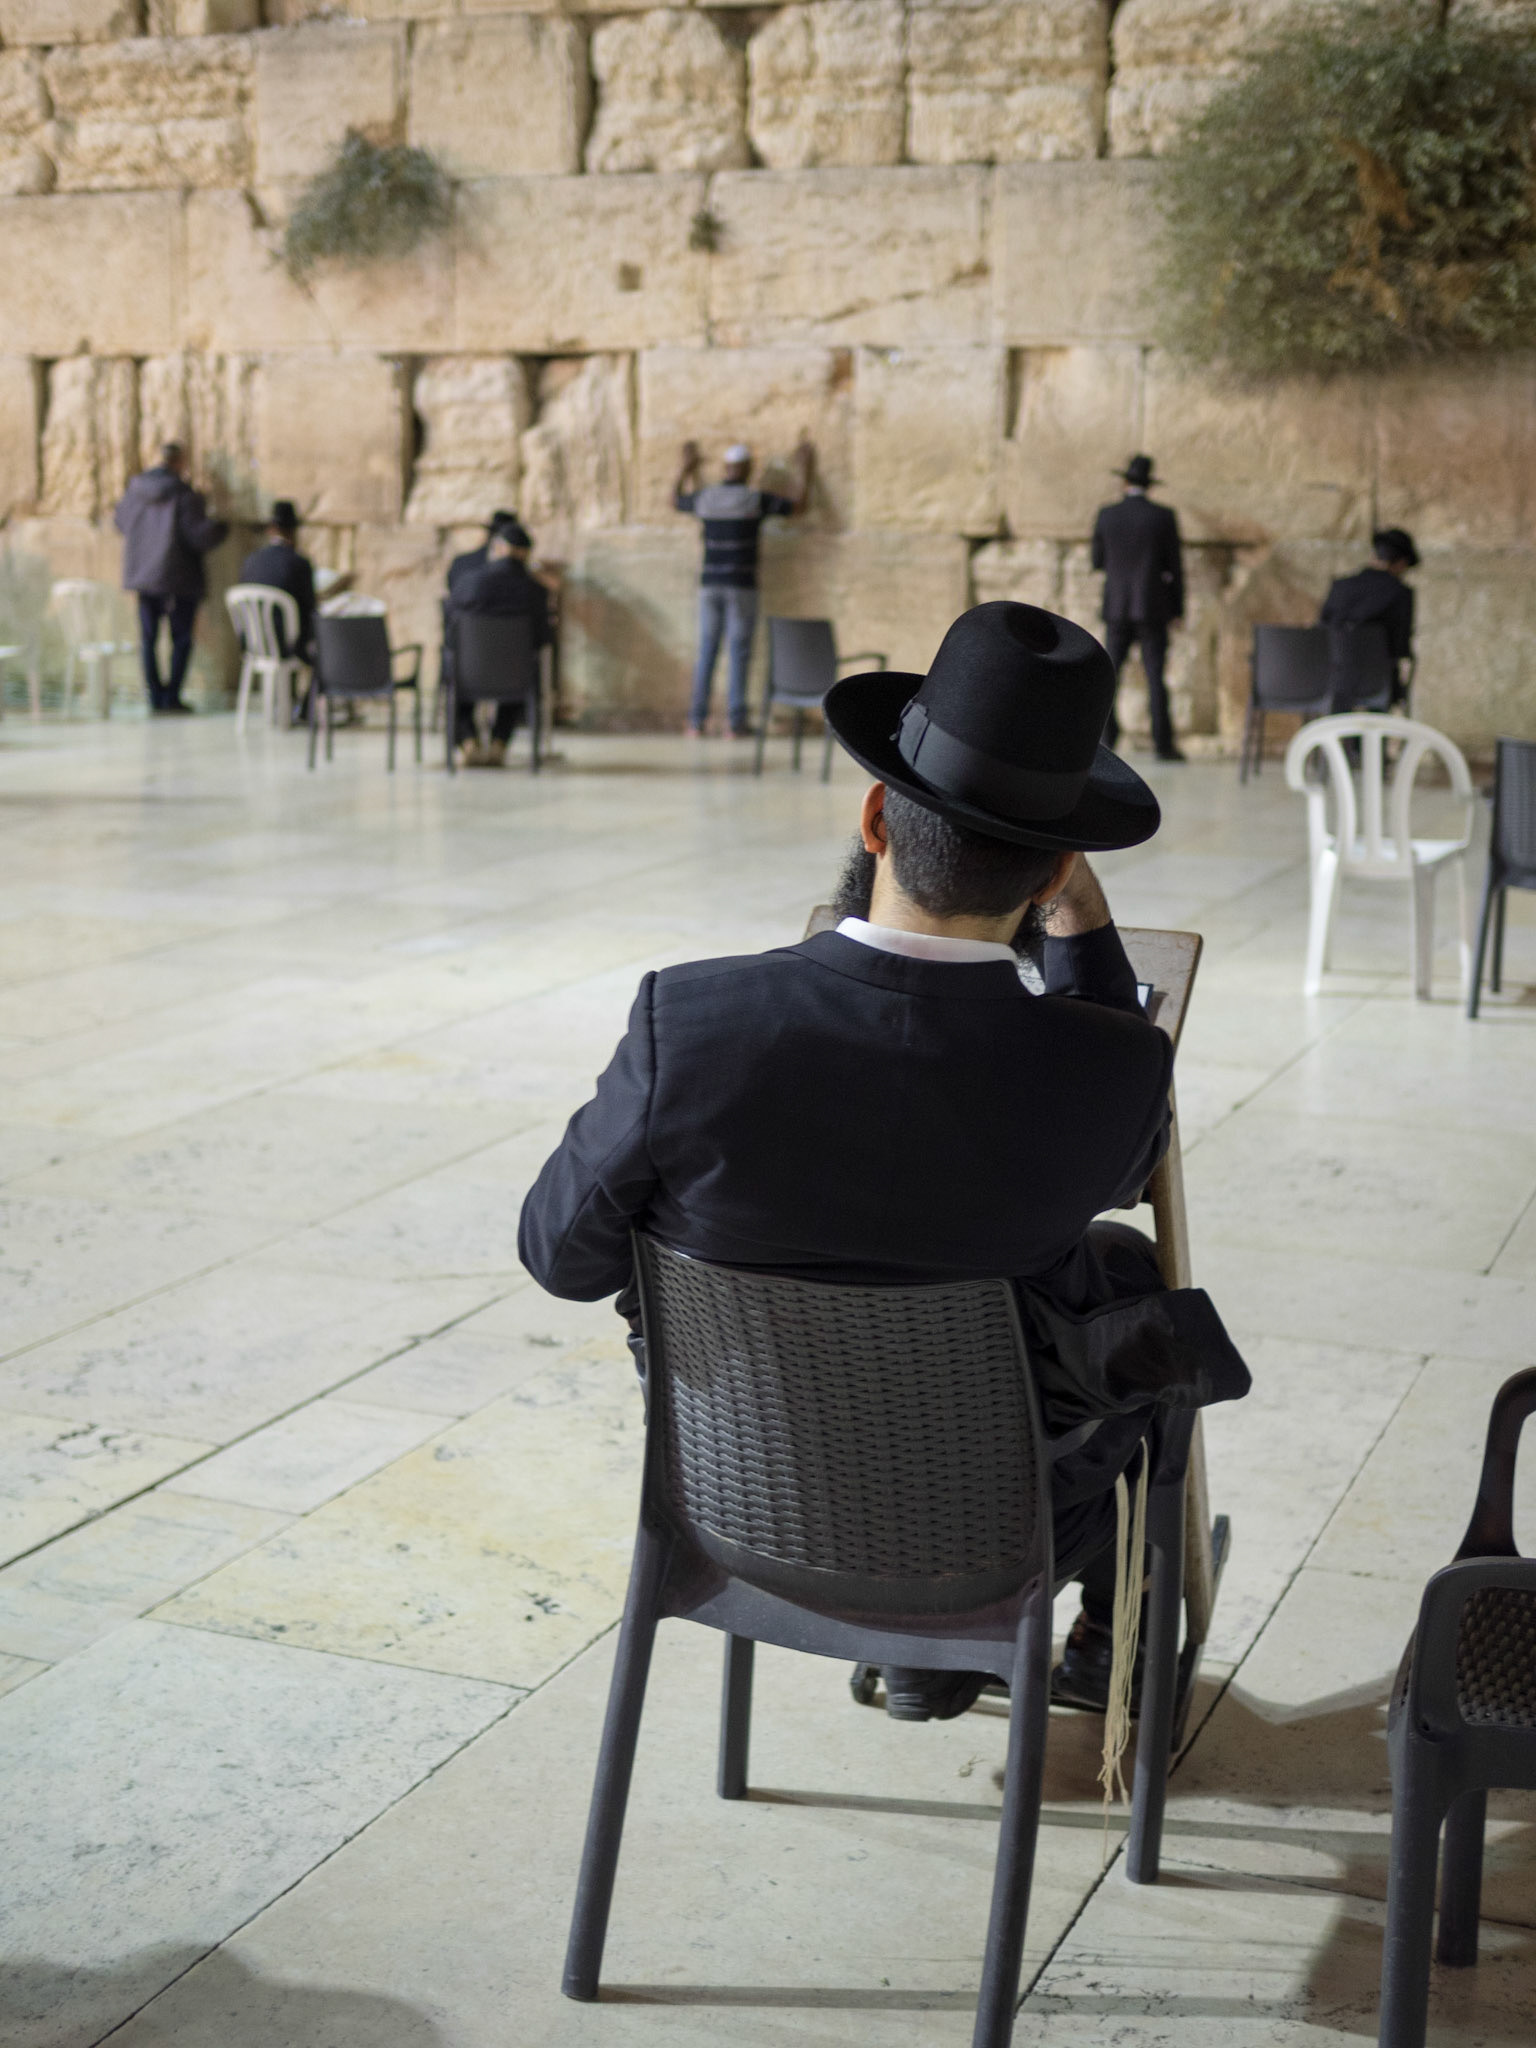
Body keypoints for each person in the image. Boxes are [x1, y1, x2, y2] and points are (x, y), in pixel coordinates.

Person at [519, 601, 1248, 1723]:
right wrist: (1086, 946)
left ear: (874, 818)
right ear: (1058, 866)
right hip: (995, 1526)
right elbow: (1119, 1164)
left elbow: (558, 1256)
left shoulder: (696, 1023)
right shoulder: (1108, 1072)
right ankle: (1099, 1640)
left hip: (737, 1503)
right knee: (1133, 1300)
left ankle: (923, 1657)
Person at [674, 437, 814, 738]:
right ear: (748, 469)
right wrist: (804, 468)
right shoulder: (755, 500)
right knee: (739, 652)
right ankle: (735, 724)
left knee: (707, 651)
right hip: (741, 585)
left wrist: (685, 469)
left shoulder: (707, 498)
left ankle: (695, 722)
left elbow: (675, 500)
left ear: (726, 468)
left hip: (709, 584)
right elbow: (799, 506)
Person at [113, 441, 228, 715]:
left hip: (144, 577)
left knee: (149, 639)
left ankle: (155, 697)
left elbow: (120, 521)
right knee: (181, 638)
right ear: (179, 462)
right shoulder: (184, 495)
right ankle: (172, 697)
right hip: (178, 578)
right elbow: (199, 535)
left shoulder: (136, 491)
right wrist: (222, 527)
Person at [1090, 454, 1185, 762]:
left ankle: (1106, 739)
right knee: (1155, 676)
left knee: (1108, 676)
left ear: (1124, 482)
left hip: (1116, 608)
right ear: (1150, 485)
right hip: (1153, 608)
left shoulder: (1107, 515)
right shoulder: (1163, 516)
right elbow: (1175, 568)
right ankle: (1163, 744)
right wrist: (1177, 609)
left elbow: (1097, 561)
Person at [452, 518, 551, 768]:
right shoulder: (536, 591)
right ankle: (499, 744)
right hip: (515, 677)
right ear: (525, 554)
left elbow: (451, 630)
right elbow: (542, 639)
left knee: (453, 678)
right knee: (522, 670)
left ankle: (468, 742)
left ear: (497, 548)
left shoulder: (468, 582)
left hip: (469, 673)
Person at [1319, 527, 1418, 705]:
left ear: (1374, 555)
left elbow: (1321, 631)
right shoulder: (1400, 593)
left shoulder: (1340, 586)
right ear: (1402, 563)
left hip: (1333, 682)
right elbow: (1400, 647)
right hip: (1379, 683)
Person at [238, 500, 317, 665]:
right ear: (293, 531)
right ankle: (305, 691)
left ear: (270, 529)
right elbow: (309, 606)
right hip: (285, 645)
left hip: (252, 642)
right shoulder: (298, 563)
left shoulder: (251, 560)